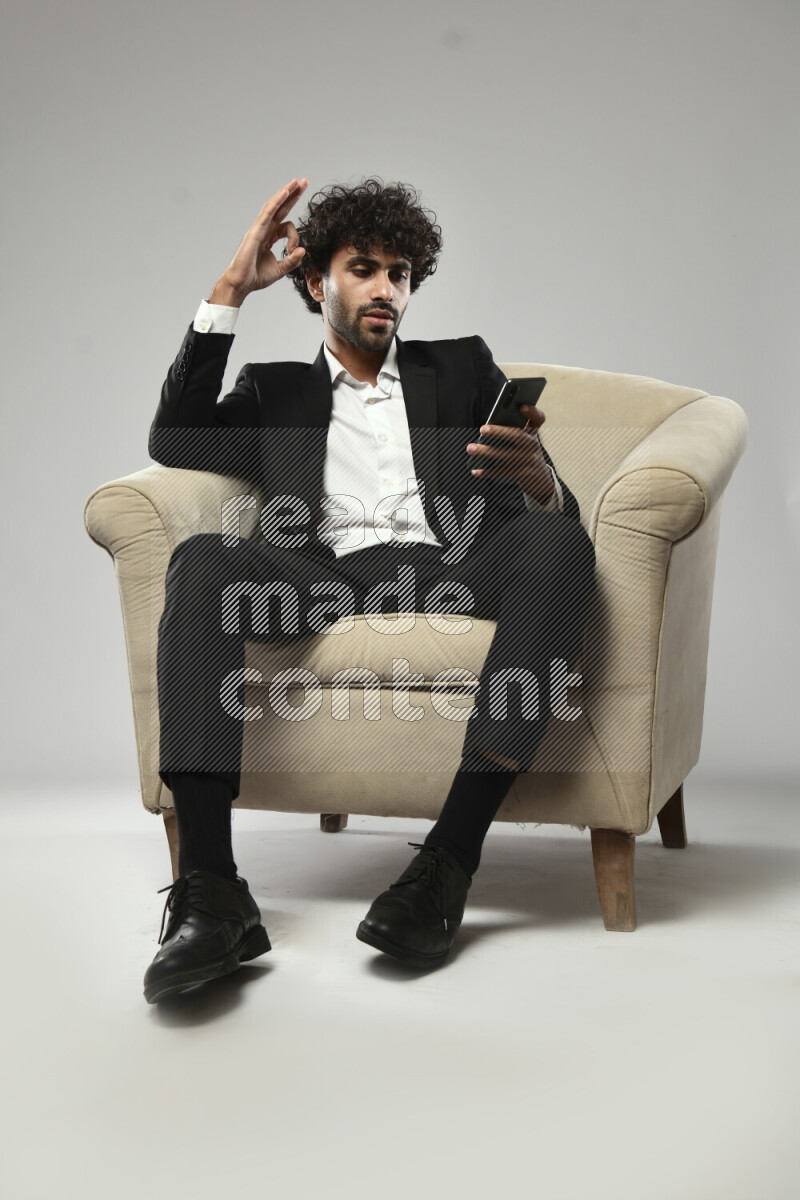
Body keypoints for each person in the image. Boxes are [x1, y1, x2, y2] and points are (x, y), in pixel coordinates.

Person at [144, 177, 595, 1003]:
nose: (386, 287)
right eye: (364, 268)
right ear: (317, 282)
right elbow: (174, 439)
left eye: (400, 272)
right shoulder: (274, 390)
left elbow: (548, 504)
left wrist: (537, 480)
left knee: (558, 538)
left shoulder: (461, 366)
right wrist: (230, 290)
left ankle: (445, 865)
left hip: (455, 568)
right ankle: (211, 893)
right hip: (327, 579)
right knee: (203, 561)